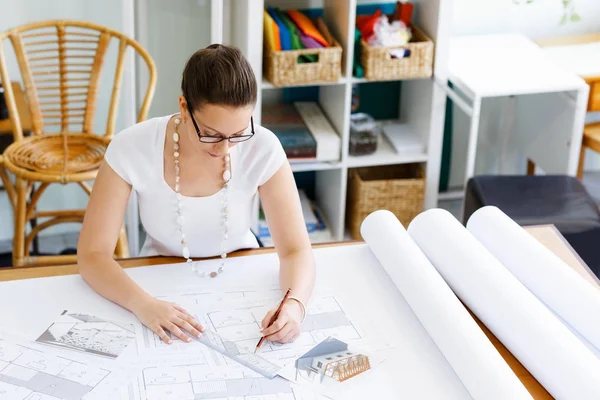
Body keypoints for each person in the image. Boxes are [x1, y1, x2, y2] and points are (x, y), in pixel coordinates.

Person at [77, 44, 315, 346]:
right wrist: (143, 305)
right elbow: (91, 256)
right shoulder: (132, 146)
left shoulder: (263, 147)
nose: (225, 148)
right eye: (212, 134)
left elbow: (296, 250)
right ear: (183, 107)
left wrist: (294, 307)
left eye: (238, 133)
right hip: (158, 280)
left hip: (242, 275)